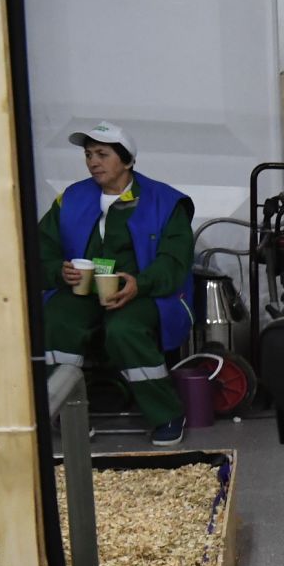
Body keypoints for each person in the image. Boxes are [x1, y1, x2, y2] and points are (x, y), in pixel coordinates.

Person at [38, 121, 194, 445]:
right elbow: (42, 246)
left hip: (145, 293)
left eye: (102, 154)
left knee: (125, 330)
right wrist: (58, 271)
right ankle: (64, 414)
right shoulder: (71, 198)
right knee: (55, 320)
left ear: (126, 160)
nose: (93, 162)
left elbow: (174, 261)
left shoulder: (165, 202)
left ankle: (167, 413)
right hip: (82, 290)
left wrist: (139, 283)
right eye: (89, 154)